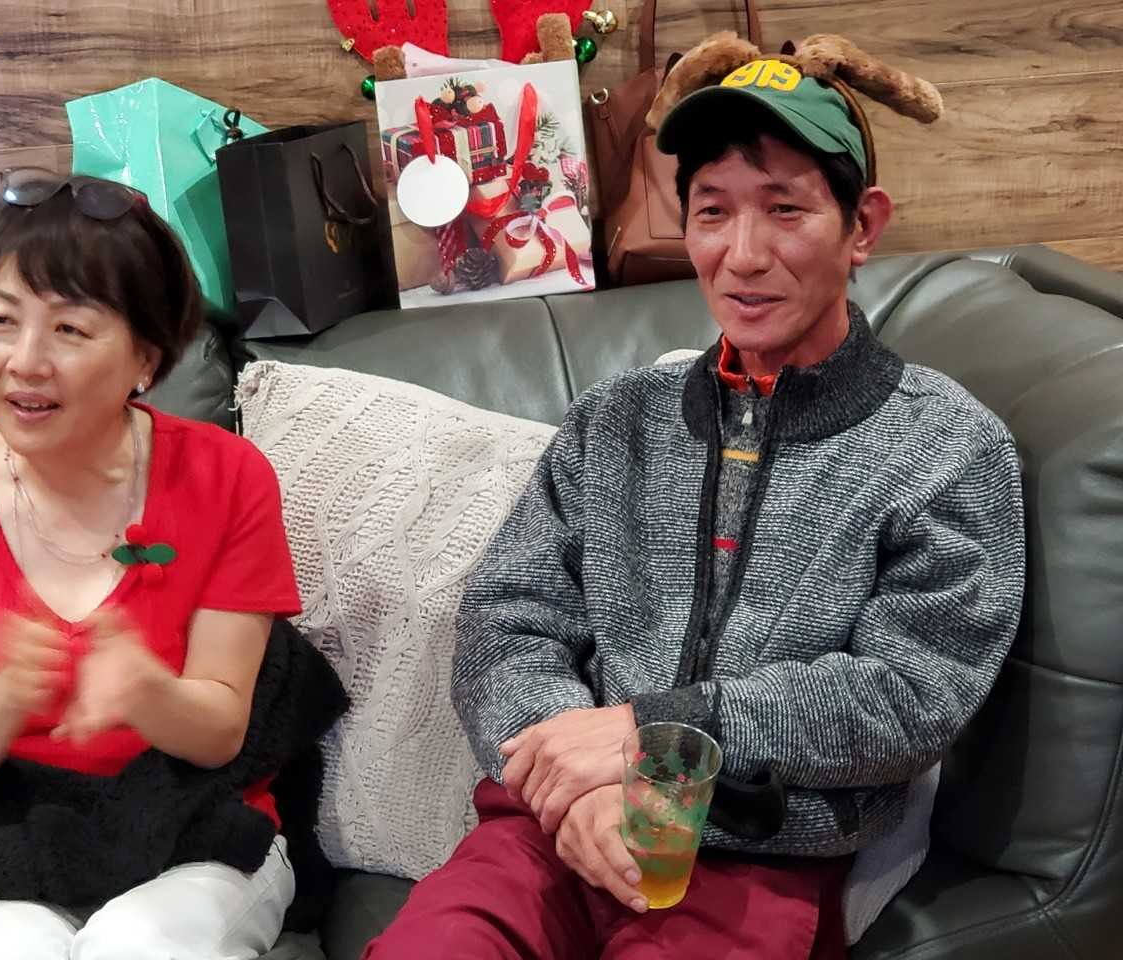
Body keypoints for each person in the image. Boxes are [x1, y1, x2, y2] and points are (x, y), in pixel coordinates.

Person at [364, 42, 1025, 960]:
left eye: (785, 208)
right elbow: (507, 618)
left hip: (756, 853)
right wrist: (573, 781)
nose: (742, 256)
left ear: (862, 226)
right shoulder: (614, 421)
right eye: (713, 211)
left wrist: (652, 734)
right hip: (553, 833)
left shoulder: (947, 445)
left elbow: (913, 695)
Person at [0, 169, 323, 960]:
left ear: (146, 357)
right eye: (0, 320)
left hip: (193, 826)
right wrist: (2, 698)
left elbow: (220, 733)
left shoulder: (227, 477)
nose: (24, 362)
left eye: (70, 330)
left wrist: (146, 690)